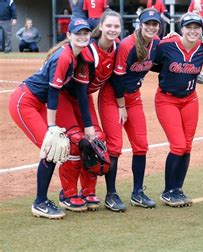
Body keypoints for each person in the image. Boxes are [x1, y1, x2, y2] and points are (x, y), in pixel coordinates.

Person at [8, 18, 92, 219]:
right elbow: (54, 94)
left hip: (39, 103)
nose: (82, 36)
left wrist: (89, 126)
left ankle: (57, 196)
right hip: (25, 101)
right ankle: (40, 202)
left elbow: (82, 95)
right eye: (77, 33)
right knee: (51, 147)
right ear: (68, 35)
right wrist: (52, 126)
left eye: (85, 33)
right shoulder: (63, 56)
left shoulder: (82, 57)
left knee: (58, 147)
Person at [153, 13, 203, 207]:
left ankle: (177, 189)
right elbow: (150, 63)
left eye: (196, 28)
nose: (192, 31)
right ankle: (167, 191)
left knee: (187, 146)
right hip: (167, 100)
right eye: (188, 27)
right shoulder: (166, 45)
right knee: (178, 146)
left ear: (201, 30)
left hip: (190, 100)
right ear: (181, 29)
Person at [99, 8, 162, 212]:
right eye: (147, 24)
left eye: (155, 24)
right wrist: (121, 106)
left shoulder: (156, 43)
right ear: (139, 25)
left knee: (141, 145)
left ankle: (137, 193)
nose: (151, 27)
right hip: (113, 97)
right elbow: (117, 79)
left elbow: (161, 62)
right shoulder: (128, 44)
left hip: (133, 97)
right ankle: (111, 194)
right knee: (115, 146)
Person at [74, 10, 122, 211]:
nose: (112, 30)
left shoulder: (117, 47)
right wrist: (87, 124)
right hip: (71, 98)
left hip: (86, 97)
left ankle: (88, 191)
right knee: (77, 141)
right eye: (108, 25)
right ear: (100, 26)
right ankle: (68, 192)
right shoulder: (89, 52)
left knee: (95, 141)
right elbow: (80, 91)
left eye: (116, 26)